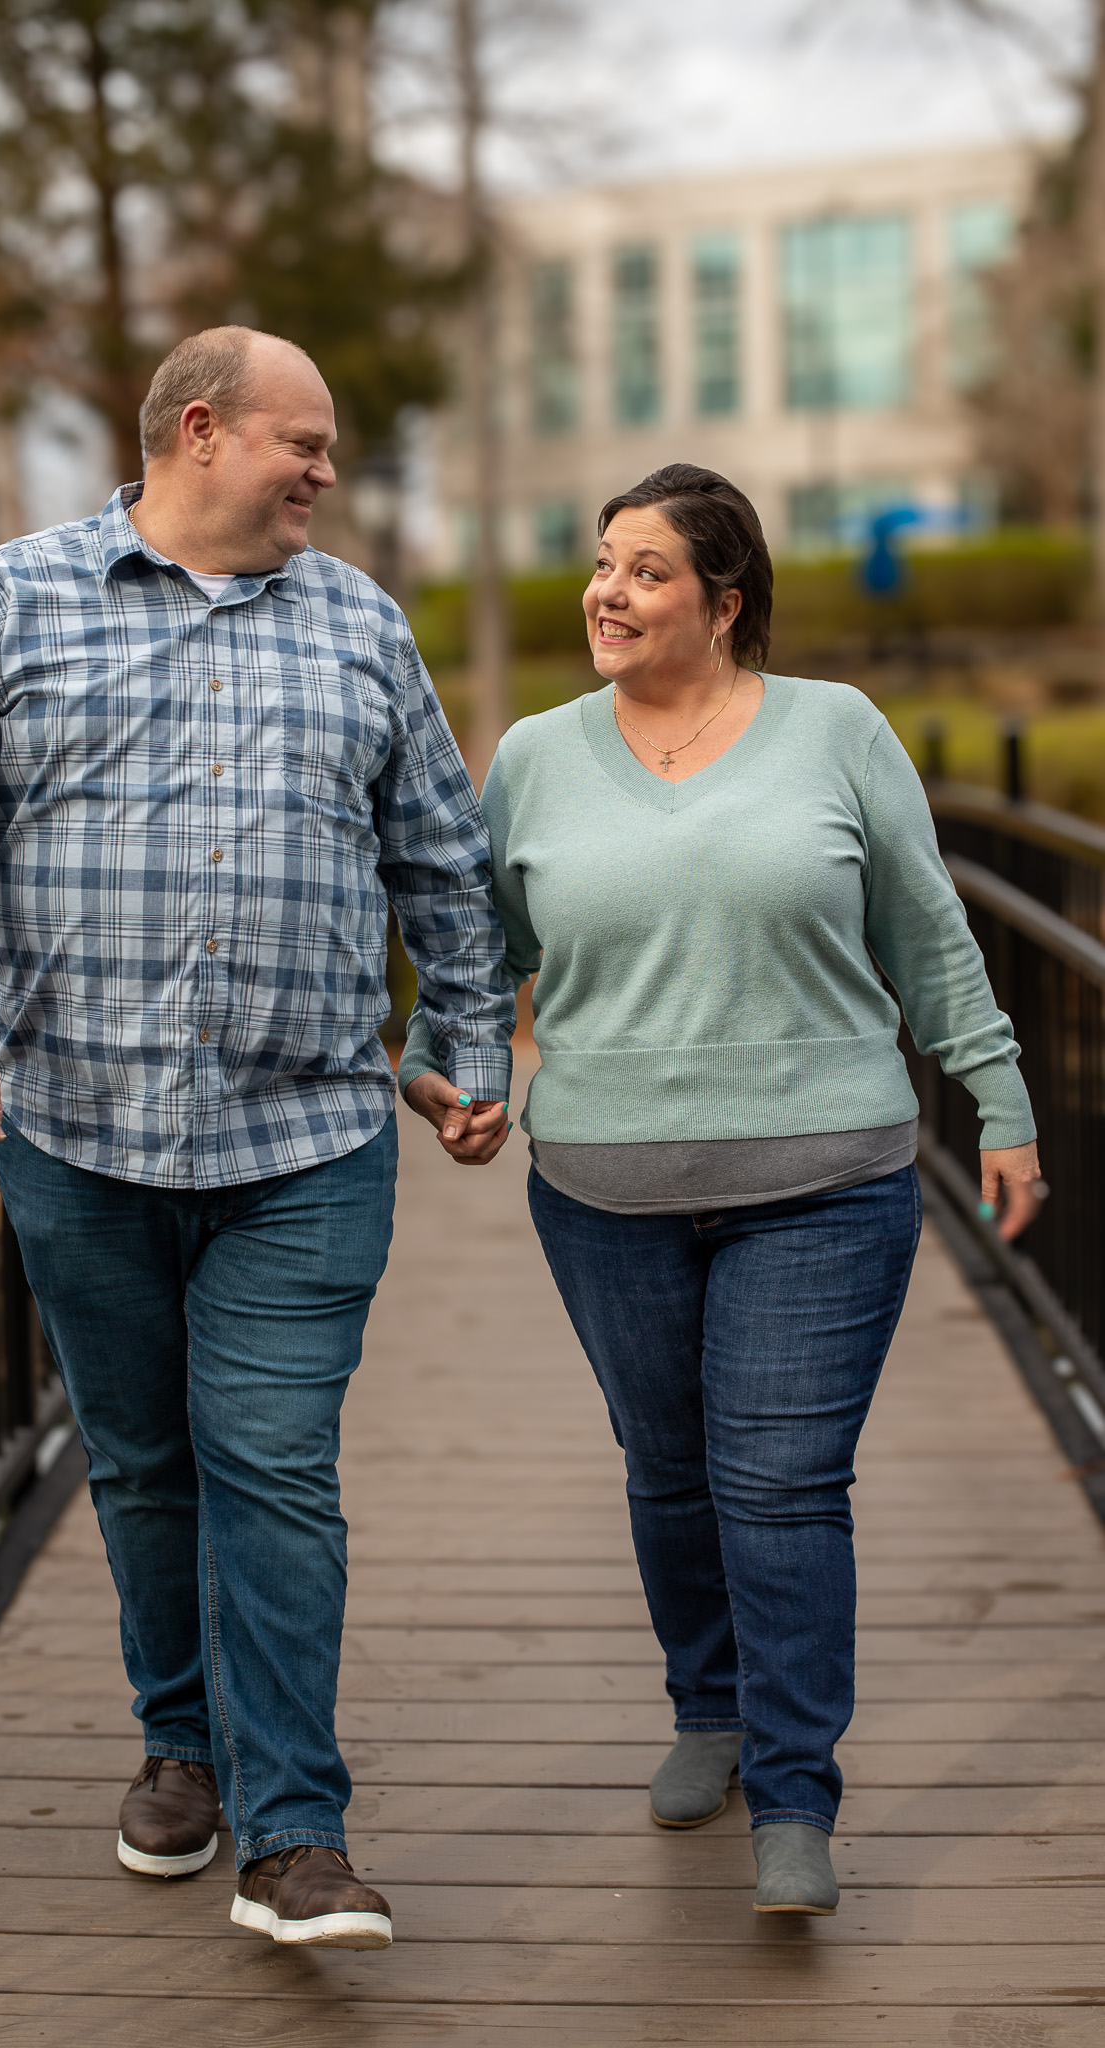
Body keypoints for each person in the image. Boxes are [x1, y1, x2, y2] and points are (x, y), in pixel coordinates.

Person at [0, 326, 514, 1951]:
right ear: (201, 433)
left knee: (274, 1469)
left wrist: (458, 1041)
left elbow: (443, 864)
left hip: (303, 1136)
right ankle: (179, 1745)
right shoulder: (11, 597)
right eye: (306, 442)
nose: (327, 474)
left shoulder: (356, 619)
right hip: (76, 1134)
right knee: (144, 1466)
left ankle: (296, 1834)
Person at [401, 463, 1042, 1915]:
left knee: (782, 1485)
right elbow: (473, 952)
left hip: (824, 1178)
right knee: (670, 1473)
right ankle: (708, 1707)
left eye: (642, 570)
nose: (604, 593)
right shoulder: (537, 756)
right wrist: (446, 1073)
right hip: (602, 1187)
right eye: (599, 565)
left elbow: (925, 933)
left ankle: (795, 1794)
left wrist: (998, 1097)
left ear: (722, 599)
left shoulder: (835, 730)